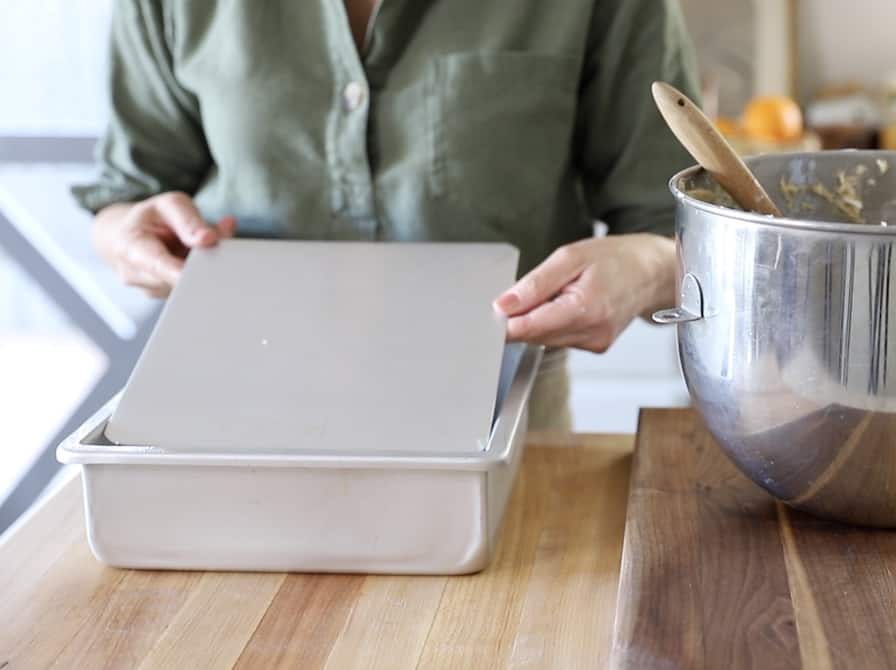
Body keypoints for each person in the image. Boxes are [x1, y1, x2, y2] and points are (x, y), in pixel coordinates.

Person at [73, 0, 699, 431]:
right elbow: (130, 193)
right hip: (239, 410)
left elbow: (678, 234)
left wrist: (644, 268)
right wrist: (125, 234)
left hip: (501, 414)